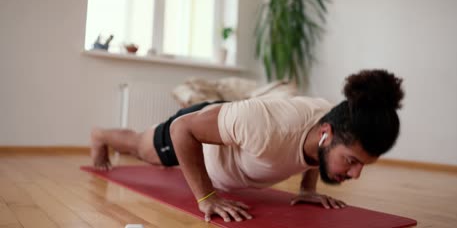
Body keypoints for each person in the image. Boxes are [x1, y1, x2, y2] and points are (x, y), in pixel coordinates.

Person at [90, 69, 404, 223]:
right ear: (326, 134)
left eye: (362, 165)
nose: (356, 174)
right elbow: (182, 128)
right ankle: (101, 135)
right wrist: (206, 197)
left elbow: (313, 153)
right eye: (351, 161)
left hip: (234, 125)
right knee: (144, 150)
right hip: (197, 127)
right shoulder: (266, 125)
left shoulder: (329, 127)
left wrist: (307, 190)